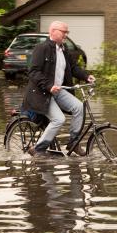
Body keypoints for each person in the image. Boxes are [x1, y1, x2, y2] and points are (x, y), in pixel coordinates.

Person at [23, 21, 95, 156]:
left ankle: (74, 143)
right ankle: (38, 149)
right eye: (64, 32)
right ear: (53, 31)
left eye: (67, 32)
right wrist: (49, 86)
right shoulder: (42, 48)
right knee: (59, 119)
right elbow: (33, 72)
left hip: (58, 91)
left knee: (79, 108)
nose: (66, 35)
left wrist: (86, 76)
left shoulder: (64, 49)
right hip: (42, 92)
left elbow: (73, 68)